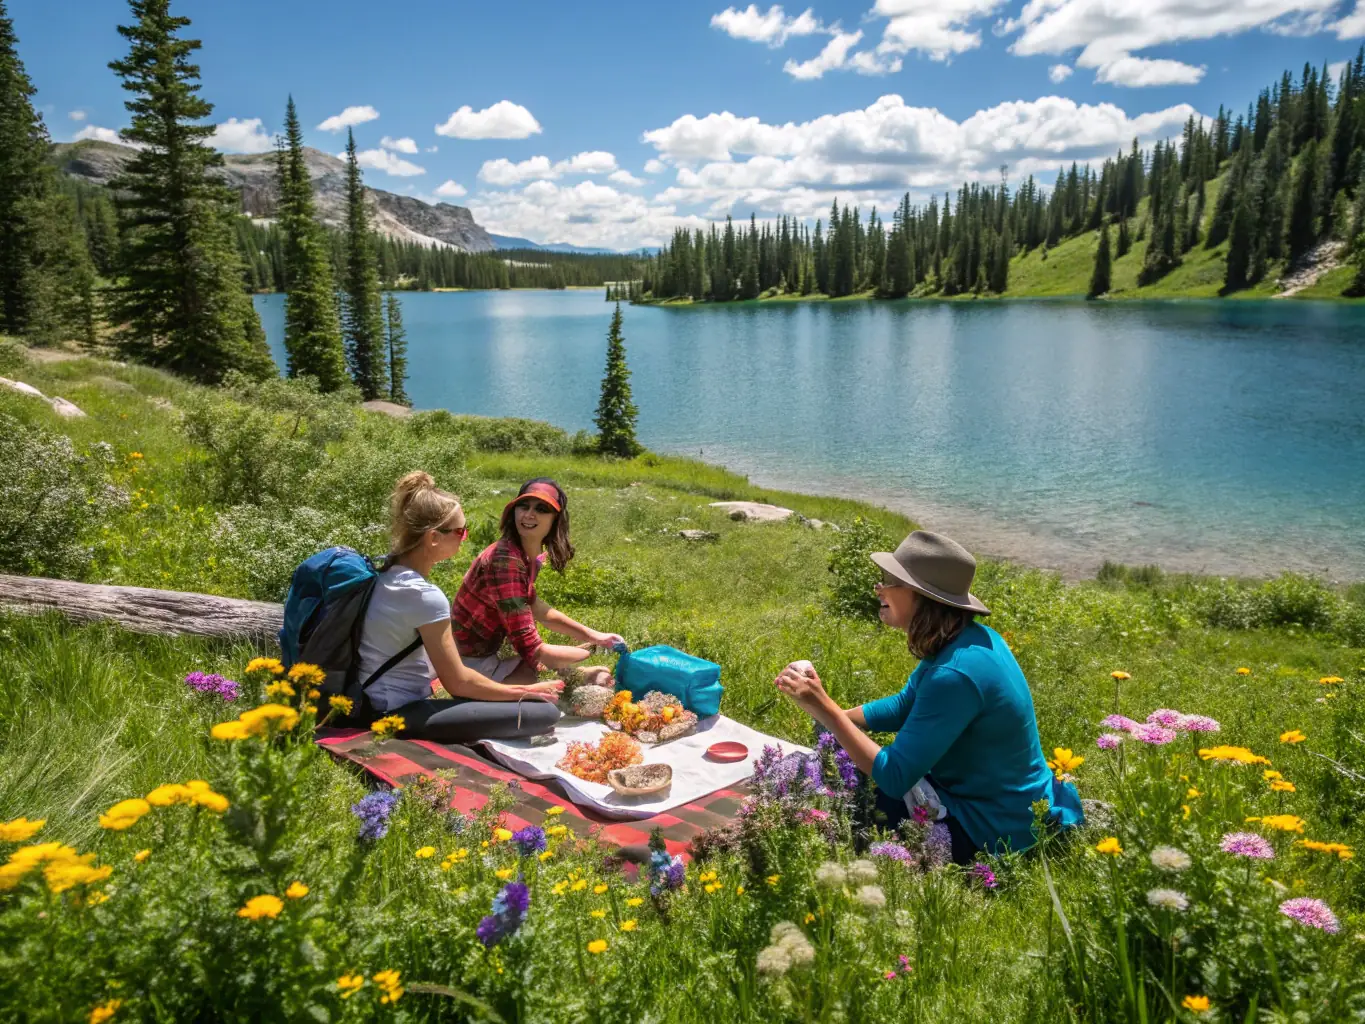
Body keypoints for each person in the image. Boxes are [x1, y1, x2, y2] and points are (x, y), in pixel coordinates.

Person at [774, 530, 1083, 861]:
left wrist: (827, 711)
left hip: (994, 826)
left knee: (848, 802)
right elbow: (905, 705)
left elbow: (895, 776)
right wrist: (835, 717)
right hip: (998, 800)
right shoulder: (968, 639)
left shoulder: (954, 674)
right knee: (840, 768)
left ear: (921, 597)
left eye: (889, 580)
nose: (878, 587)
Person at [355, 471, 563, 742]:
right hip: (395, 712)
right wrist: (524, 692)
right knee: (543, 713)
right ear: (433, 538)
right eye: (460, 531)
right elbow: (457, 682)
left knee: (529, 700)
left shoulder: (388, 572)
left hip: (369, 699)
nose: (464, 537)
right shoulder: (424, 596)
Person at [452, 478, 623, 687]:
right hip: (468, 664)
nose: (529, 514)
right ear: (513, 511)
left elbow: (539, 609)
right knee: (545, 694)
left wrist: (596, 636)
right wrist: (588, 651)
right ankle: (574, 678)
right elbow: (531, 648)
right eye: (523, 506)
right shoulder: (505, 561)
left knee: (549, 674)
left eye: (541, 509)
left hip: (485, 654)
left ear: (555, 520)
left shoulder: (523, 556)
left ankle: (572, 677)